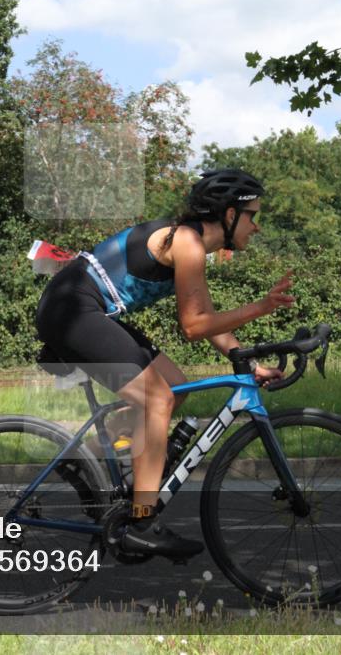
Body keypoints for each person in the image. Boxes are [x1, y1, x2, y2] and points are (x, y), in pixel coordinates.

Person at [34, 168, 295, 559]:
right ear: (228, 215)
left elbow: (205, 317)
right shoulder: (187, 243)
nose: (255, 227)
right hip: (72, 309)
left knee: (172, 386)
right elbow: (193, 327)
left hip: (85, 309)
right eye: (252, 216)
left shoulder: (190, 243)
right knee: (156, 400)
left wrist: (247, 362)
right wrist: (261, 307)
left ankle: (82, 459)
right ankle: (142, 522)